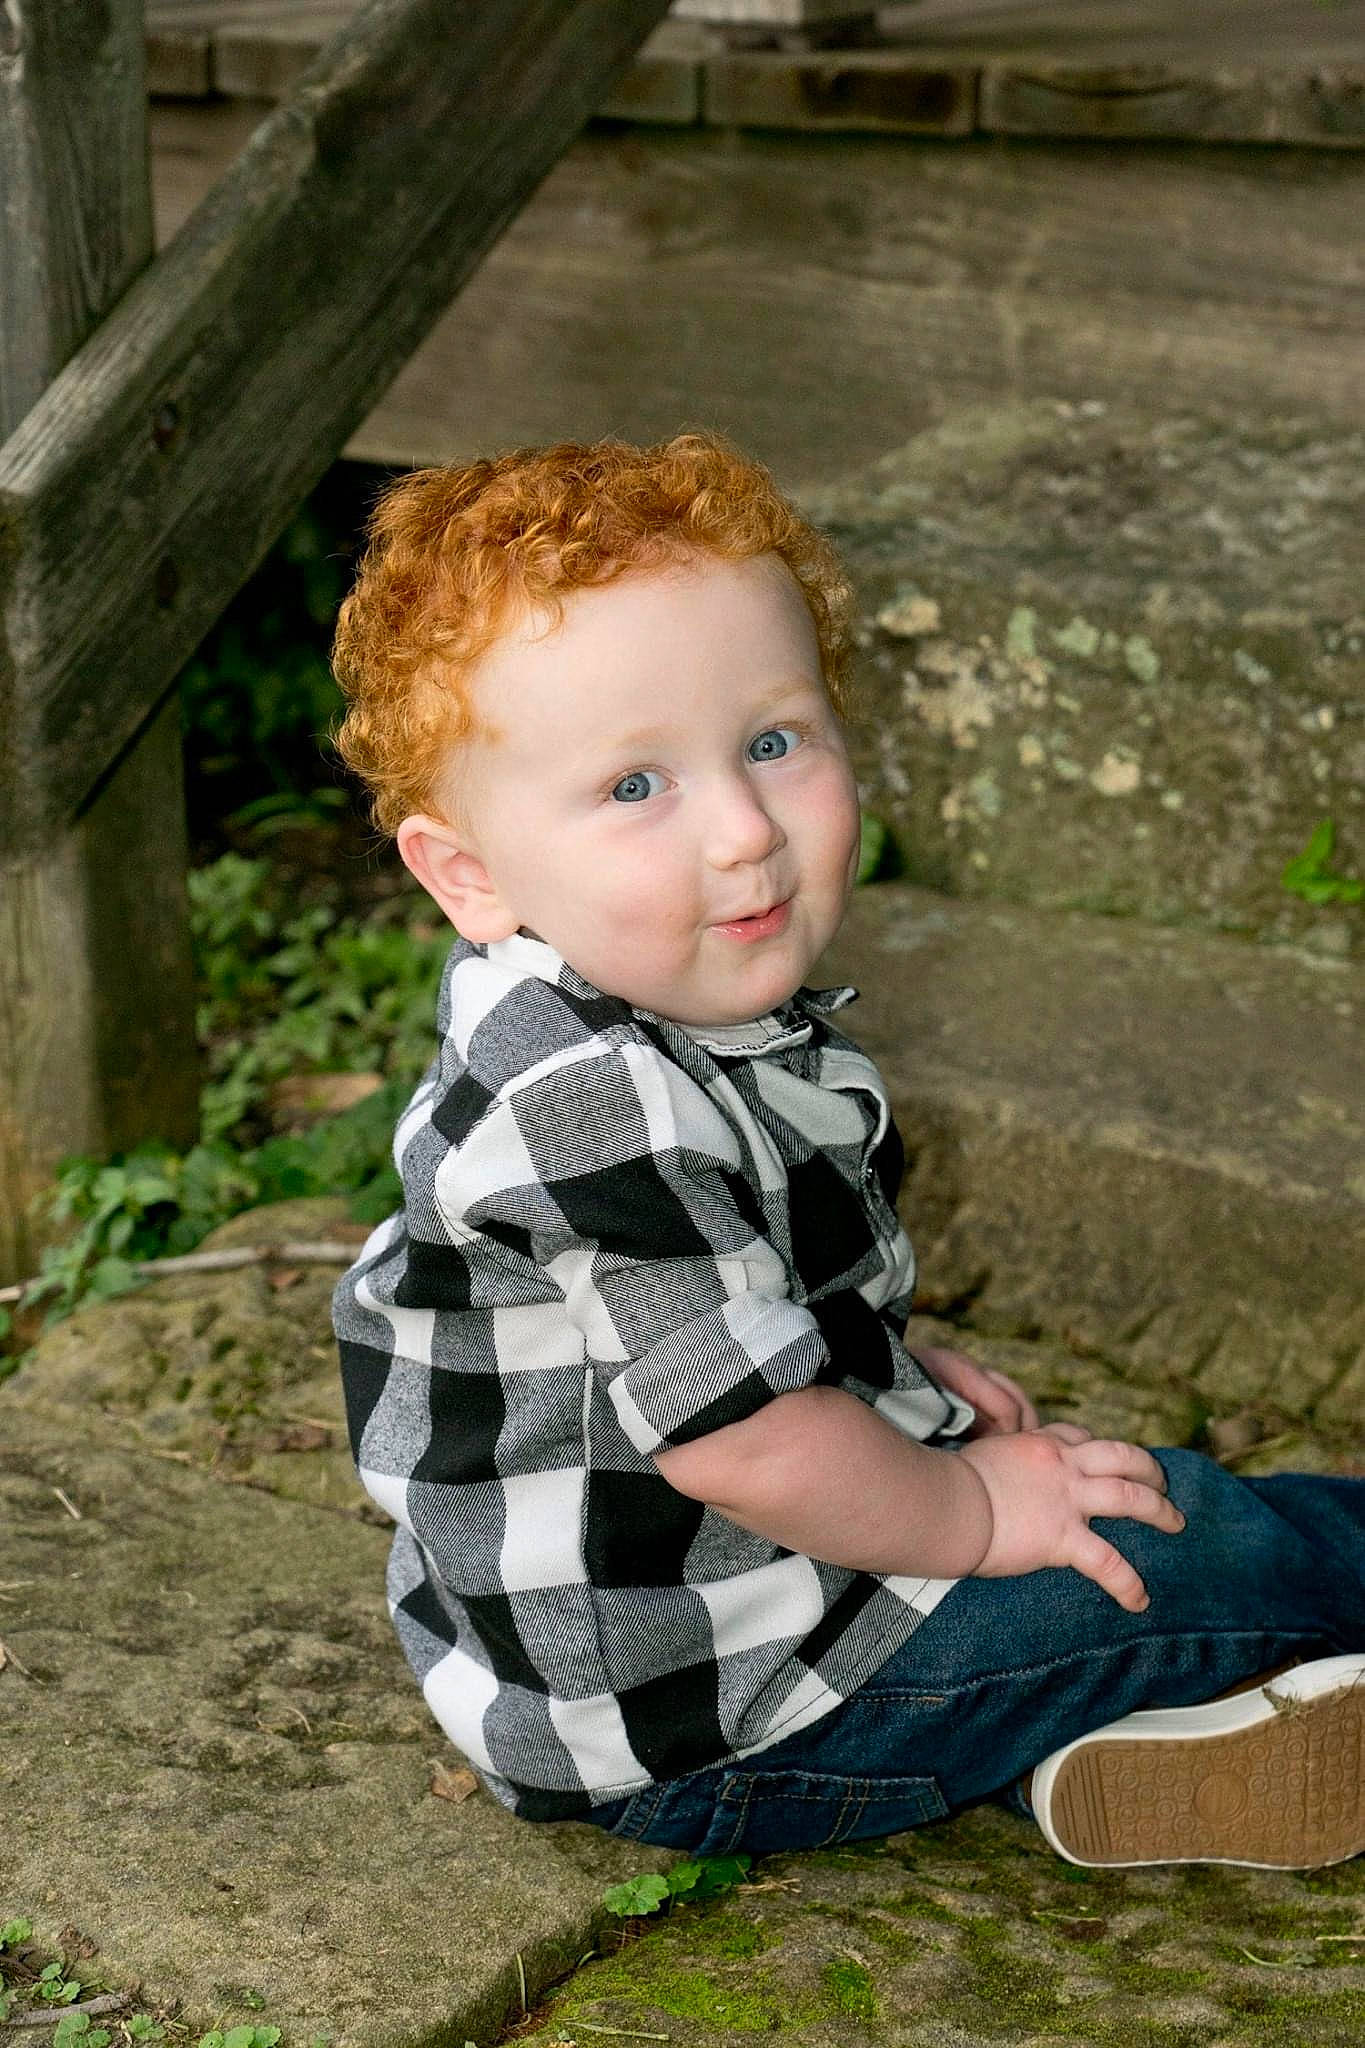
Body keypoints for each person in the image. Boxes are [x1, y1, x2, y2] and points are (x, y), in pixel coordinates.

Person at [330, 430, 1364, 1869]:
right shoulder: (591, 1105)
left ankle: (1096, 1746)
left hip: (653, 1644)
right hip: (710, 1709)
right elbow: (743, 1446)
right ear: (470, 872)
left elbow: (667, 1338)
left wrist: (870, 1374)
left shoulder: (621, 1000)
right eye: (637, 787)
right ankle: (1255, 1612)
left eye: (770, 742)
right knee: (1161, 1530)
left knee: (1045, 1506)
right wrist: (960, 1505)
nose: (745, 832)